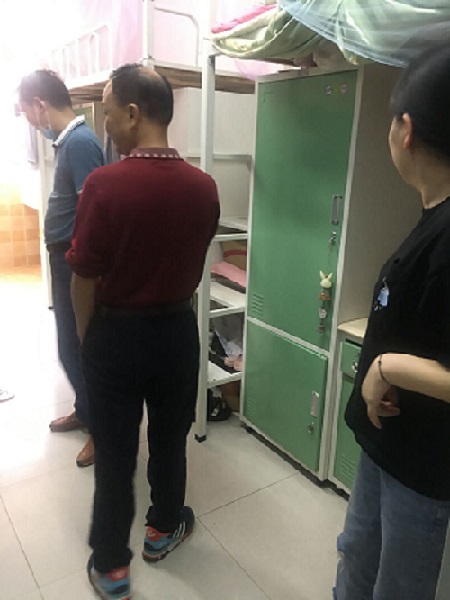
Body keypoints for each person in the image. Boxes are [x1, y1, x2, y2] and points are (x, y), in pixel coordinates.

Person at [66, 64, 220, 599]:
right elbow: (193, 264)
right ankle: (162, 529)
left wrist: (87, 337)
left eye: (109, 114)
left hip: (116, 335)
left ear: (133, 114)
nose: (105, 125)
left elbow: (83, 276)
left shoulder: (103, 185)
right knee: (170, 440)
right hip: (177, 331)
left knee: (114, 453)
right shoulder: (204, 188)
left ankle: (111, 568)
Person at [334, 44, 450, 600]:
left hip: (420, 464)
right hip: (386, 445)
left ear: (407, 131)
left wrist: (385, 368)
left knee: (397, 589)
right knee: (356, 557)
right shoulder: (432, 214)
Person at [19, 70, 104, 468]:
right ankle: (85, 412)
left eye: (27, 112)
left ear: (40, 104)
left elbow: (92, 212)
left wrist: (81, 264)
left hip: (75, 263)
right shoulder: (69, 141)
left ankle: (101, 429)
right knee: (70, 347)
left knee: (79, 349)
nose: (30, 121)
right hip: (64, 259)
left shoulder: (81, 143)